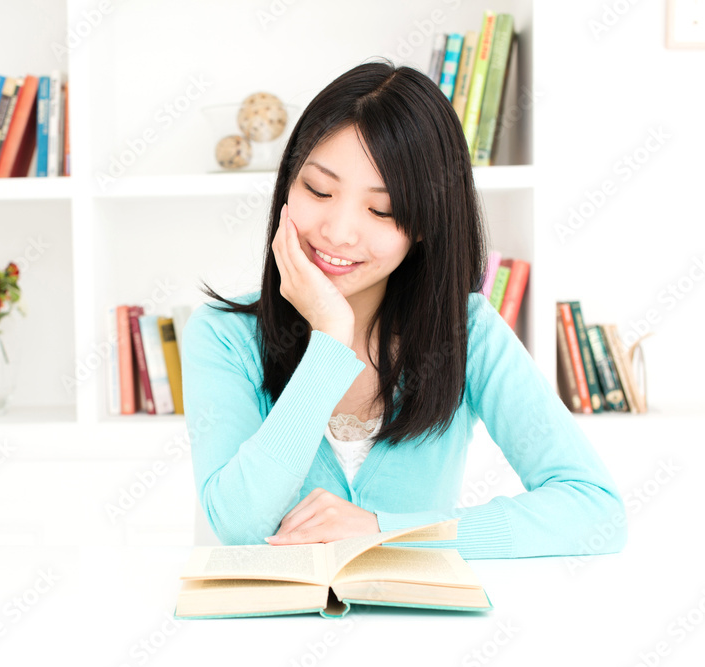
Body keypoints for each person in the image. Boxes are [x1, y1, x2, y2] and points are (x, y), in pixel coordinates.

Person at [179, 61, 627, 559]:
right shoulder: (223, 335)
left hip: (424, 634)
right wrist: (329, 339)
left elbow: (595, 511)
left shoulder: (466, 330)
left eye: (382, 210)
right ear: (287, 185)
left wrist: (385, 532)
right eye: (319, 190)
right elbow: (240, 525)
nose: (340, 232)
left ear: (424, 224)